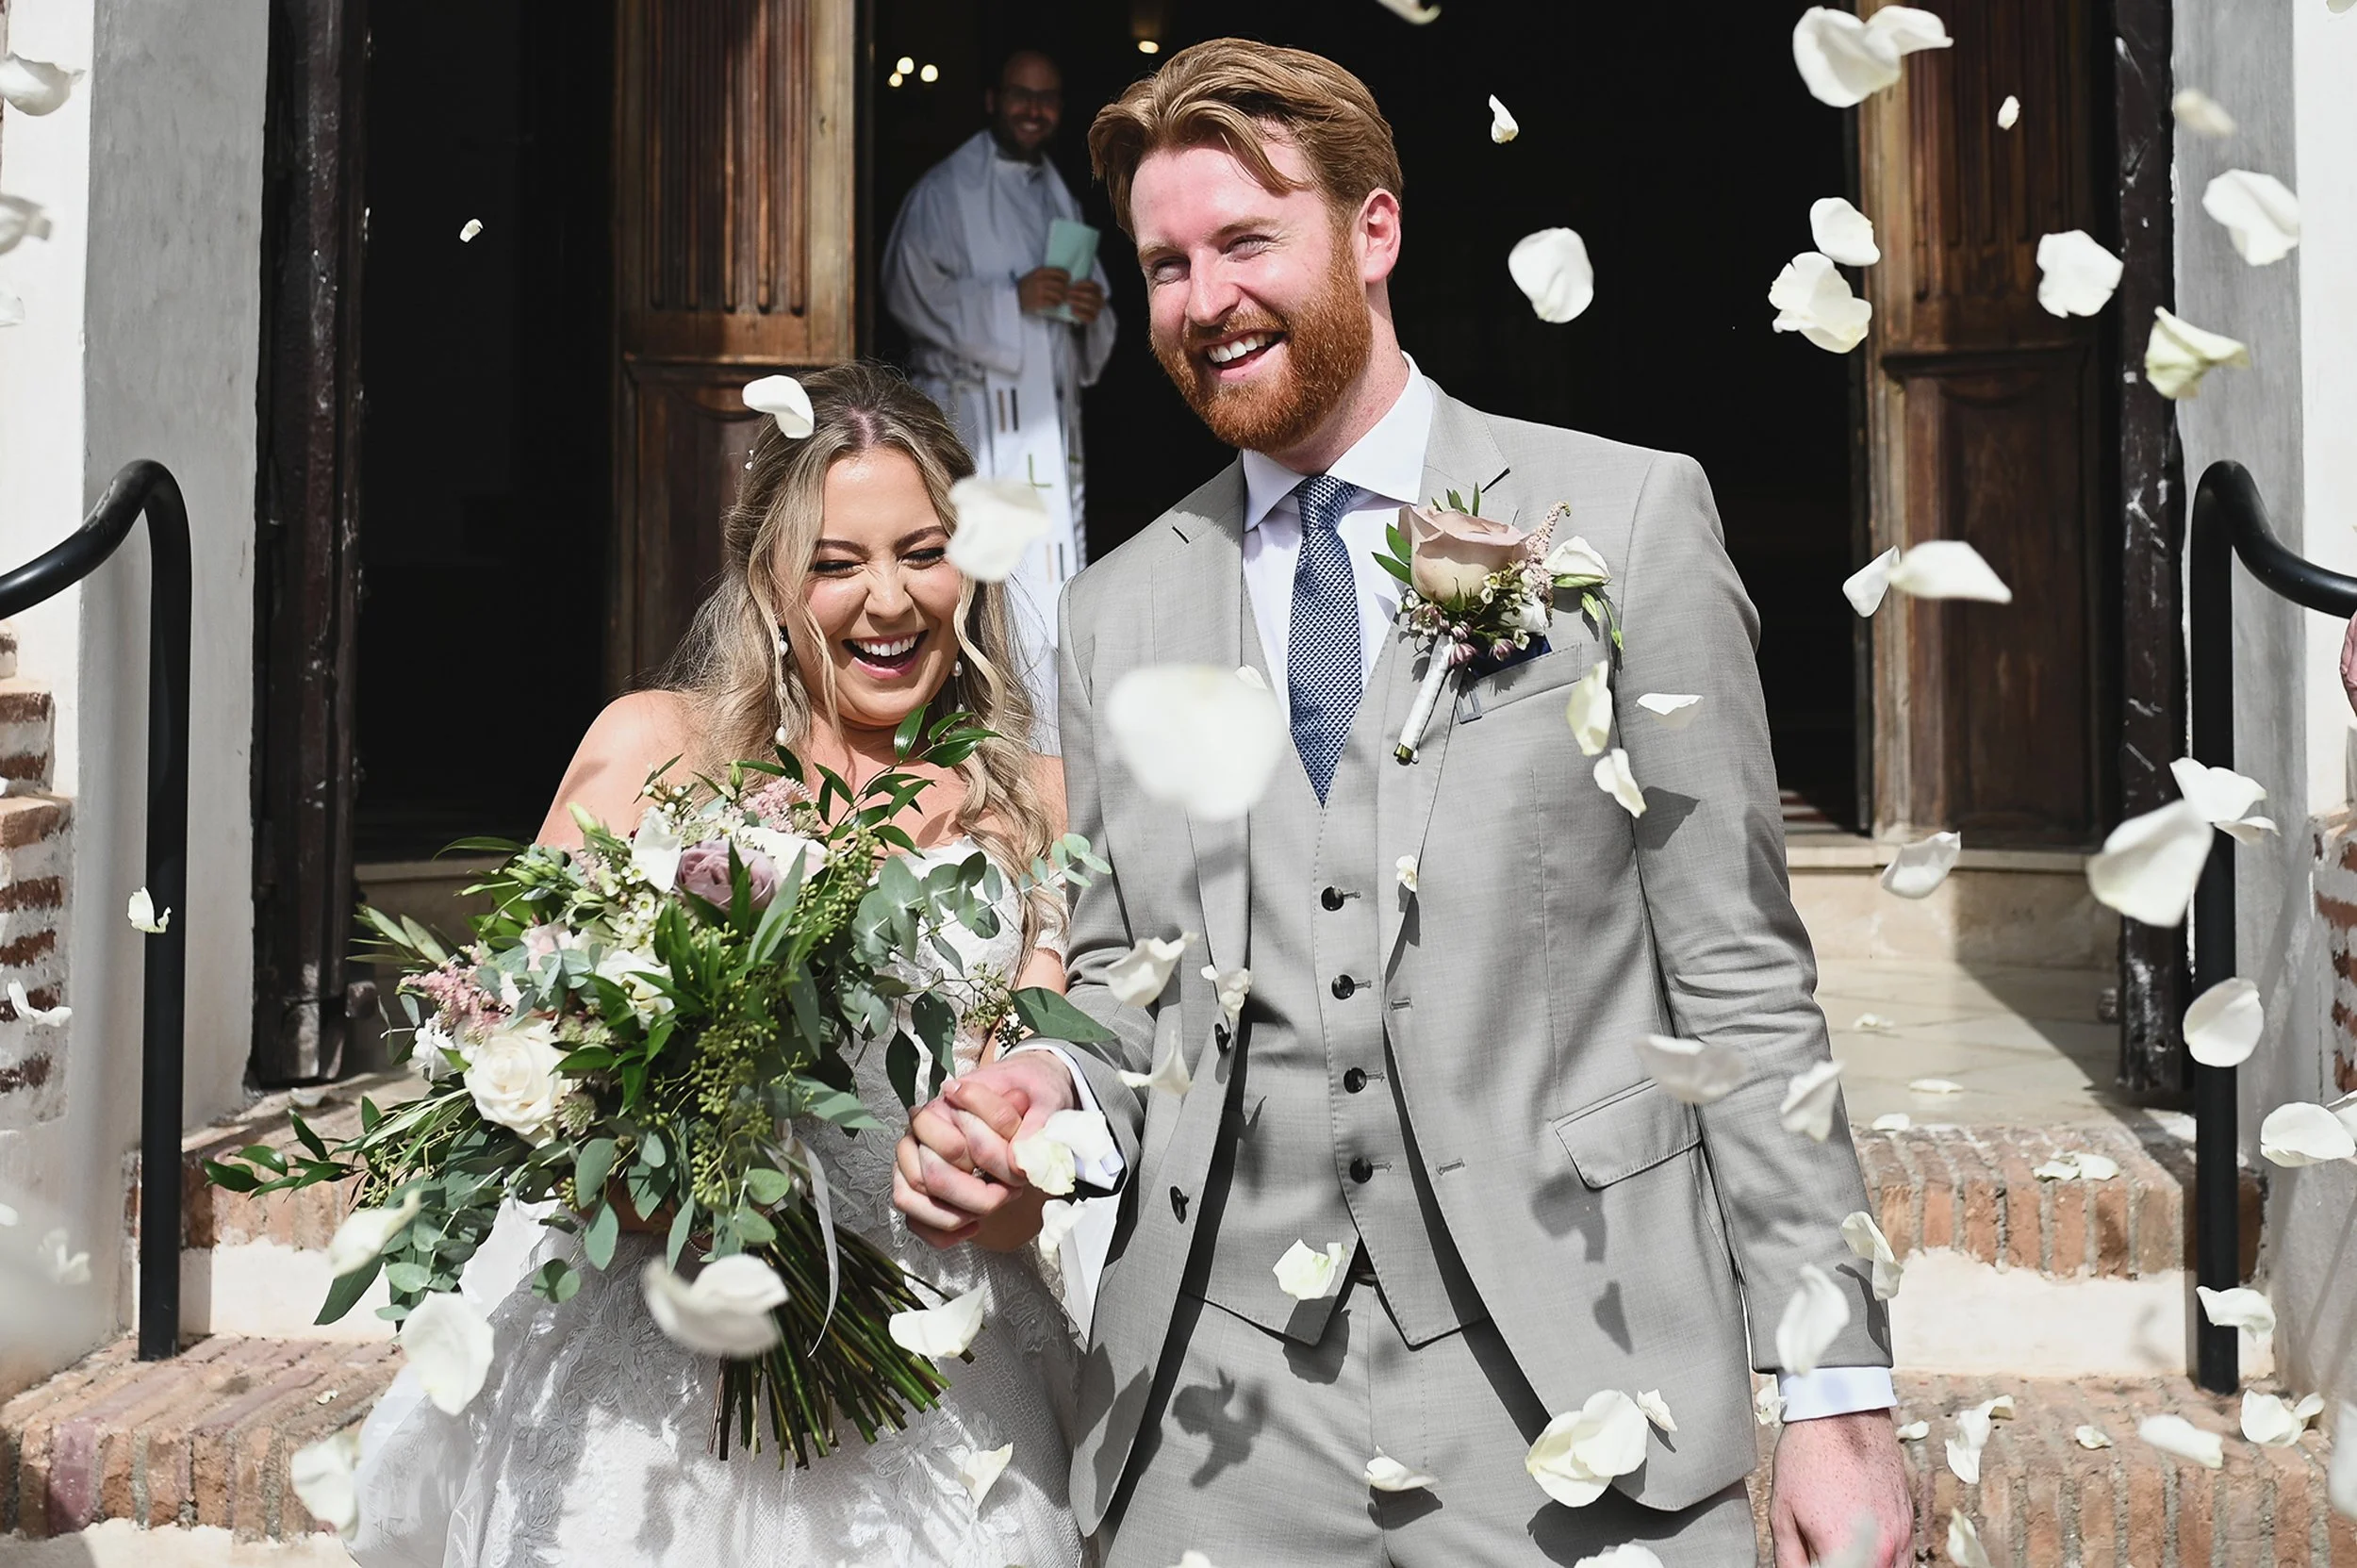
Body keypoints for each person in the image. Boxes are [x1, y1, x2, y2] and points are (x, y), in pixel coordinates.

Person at [892, 40, 1914, 1568]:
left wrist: (1834, 1389)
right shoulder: (1113, 612)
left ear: (1374, 230)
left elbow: (1743, 984)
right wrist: (1043, 1097)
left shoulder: (1624, 523)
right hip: (1207, 1417)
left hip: (1582, 1381)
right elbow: (1122, 991)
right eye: (1164, 263)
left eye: (1245, 241)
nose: (1200, 299)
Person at [349, 363, 1088, 1568]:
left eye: (923, 550)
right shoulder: (656, 750)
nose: (886, 600)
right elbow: (501, 1040)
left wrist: (1011, 1190)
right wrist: (609, 1169)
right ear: (766, 580)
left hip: (936, 1348)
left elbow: (1041, 1091)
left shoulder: (1041, 810)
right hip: (651, 1353)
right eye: (835, 563)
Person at [882, 48, 1117, 740]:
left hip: (1045, 427)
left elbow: (1091, 302)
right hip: (979, 423)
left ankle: (1049, 741)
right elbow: (909, 289)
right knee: (983, 581)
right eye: (1020, 95)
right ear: (992, 98)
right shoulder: (945, 190)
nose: (1034, 110)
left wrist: (1085, 304)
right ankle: (976, 737)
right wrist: (1010, 300)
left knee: (1048, 580)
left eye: (1047, 98)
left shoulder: (1057, 192)